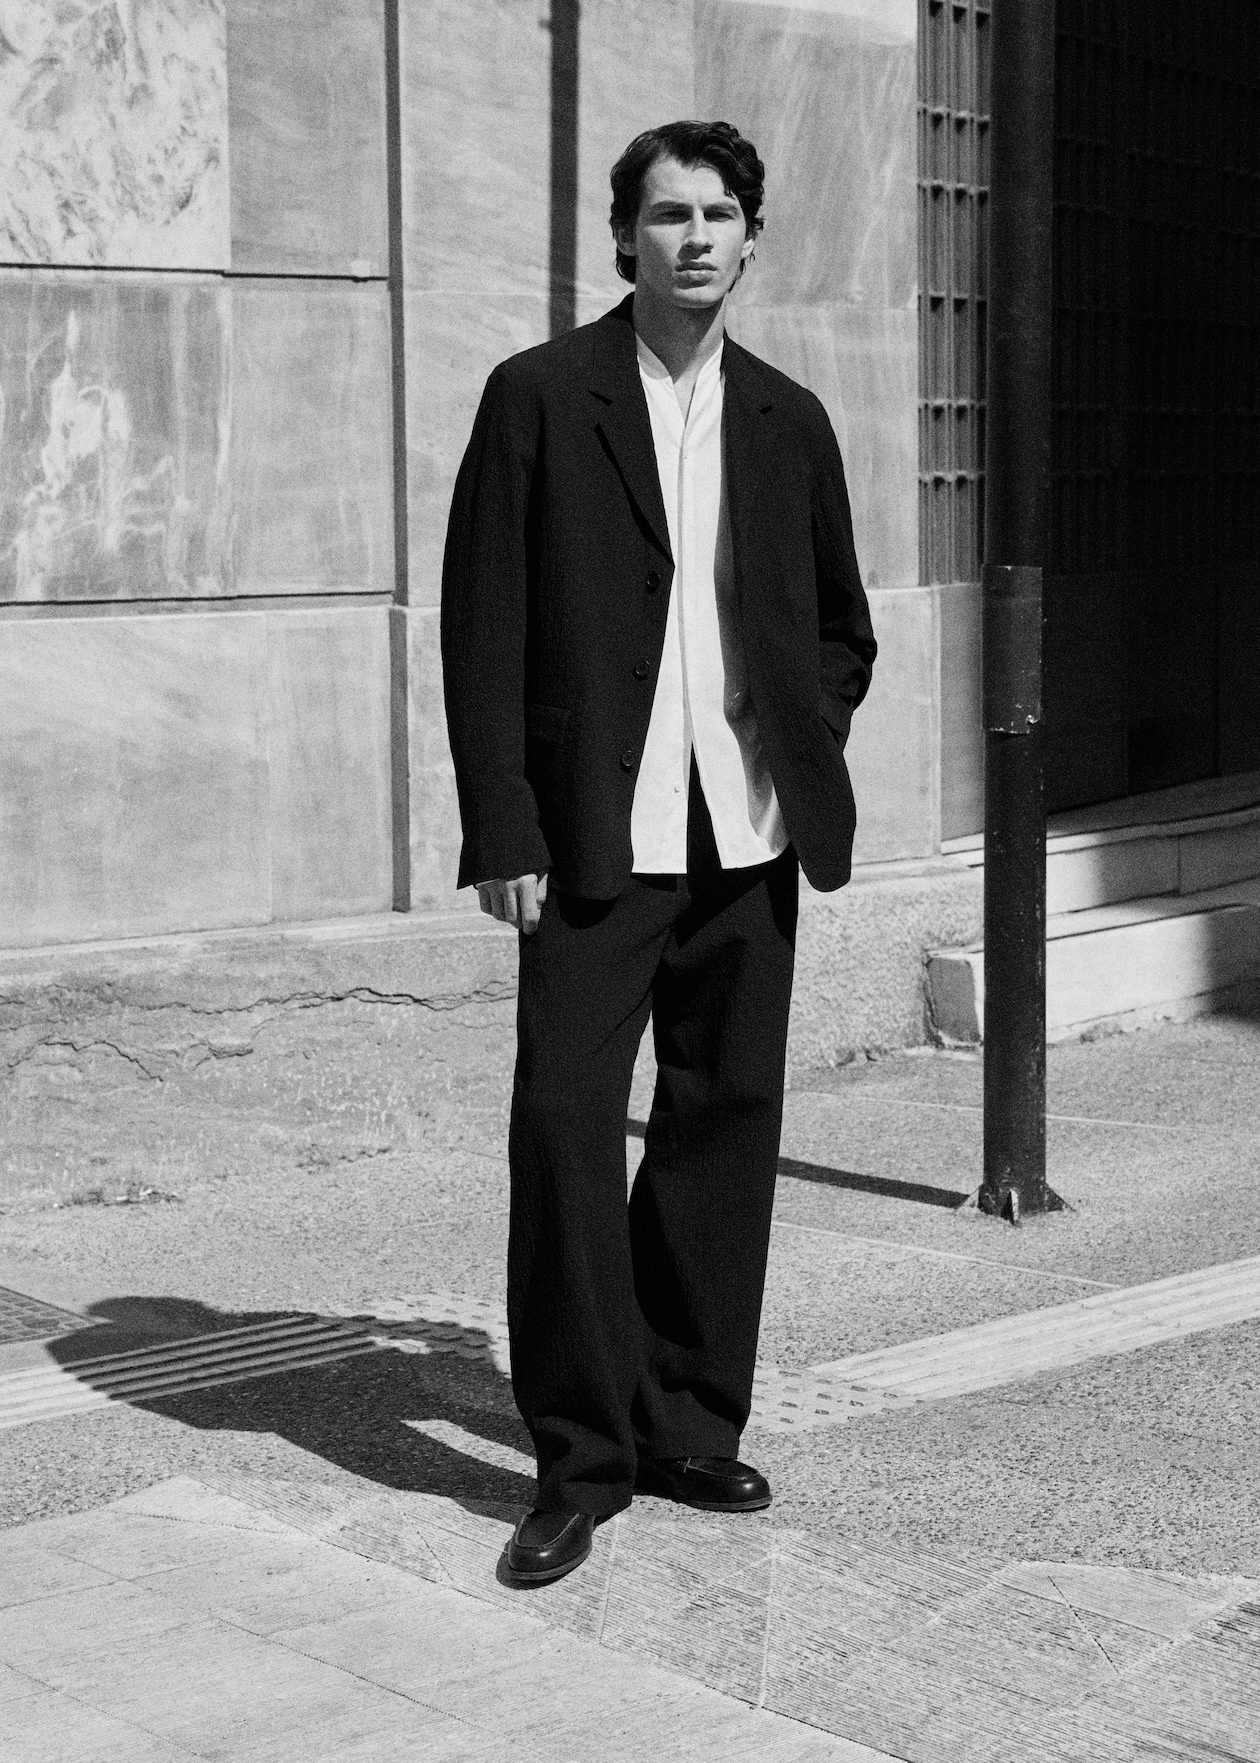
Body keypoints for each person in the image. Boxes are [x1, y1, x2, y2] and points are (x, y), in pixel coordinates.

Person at [441, 120, 876, 1584]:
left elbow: (840, 625)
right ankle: (580, 1460)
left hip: (747, 831)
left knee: (722, 1124)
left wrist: (800, 735)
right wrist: (503, 824)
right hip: (592, 841)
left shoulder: (790, 419)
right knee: (565, 1128)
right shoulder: (538, 397)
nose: (696, 238)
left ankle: (688, 1419)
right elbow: (483, 628)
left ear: (753, 238)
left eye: (720, 214)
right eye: (670, 214)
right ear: (623, 235)